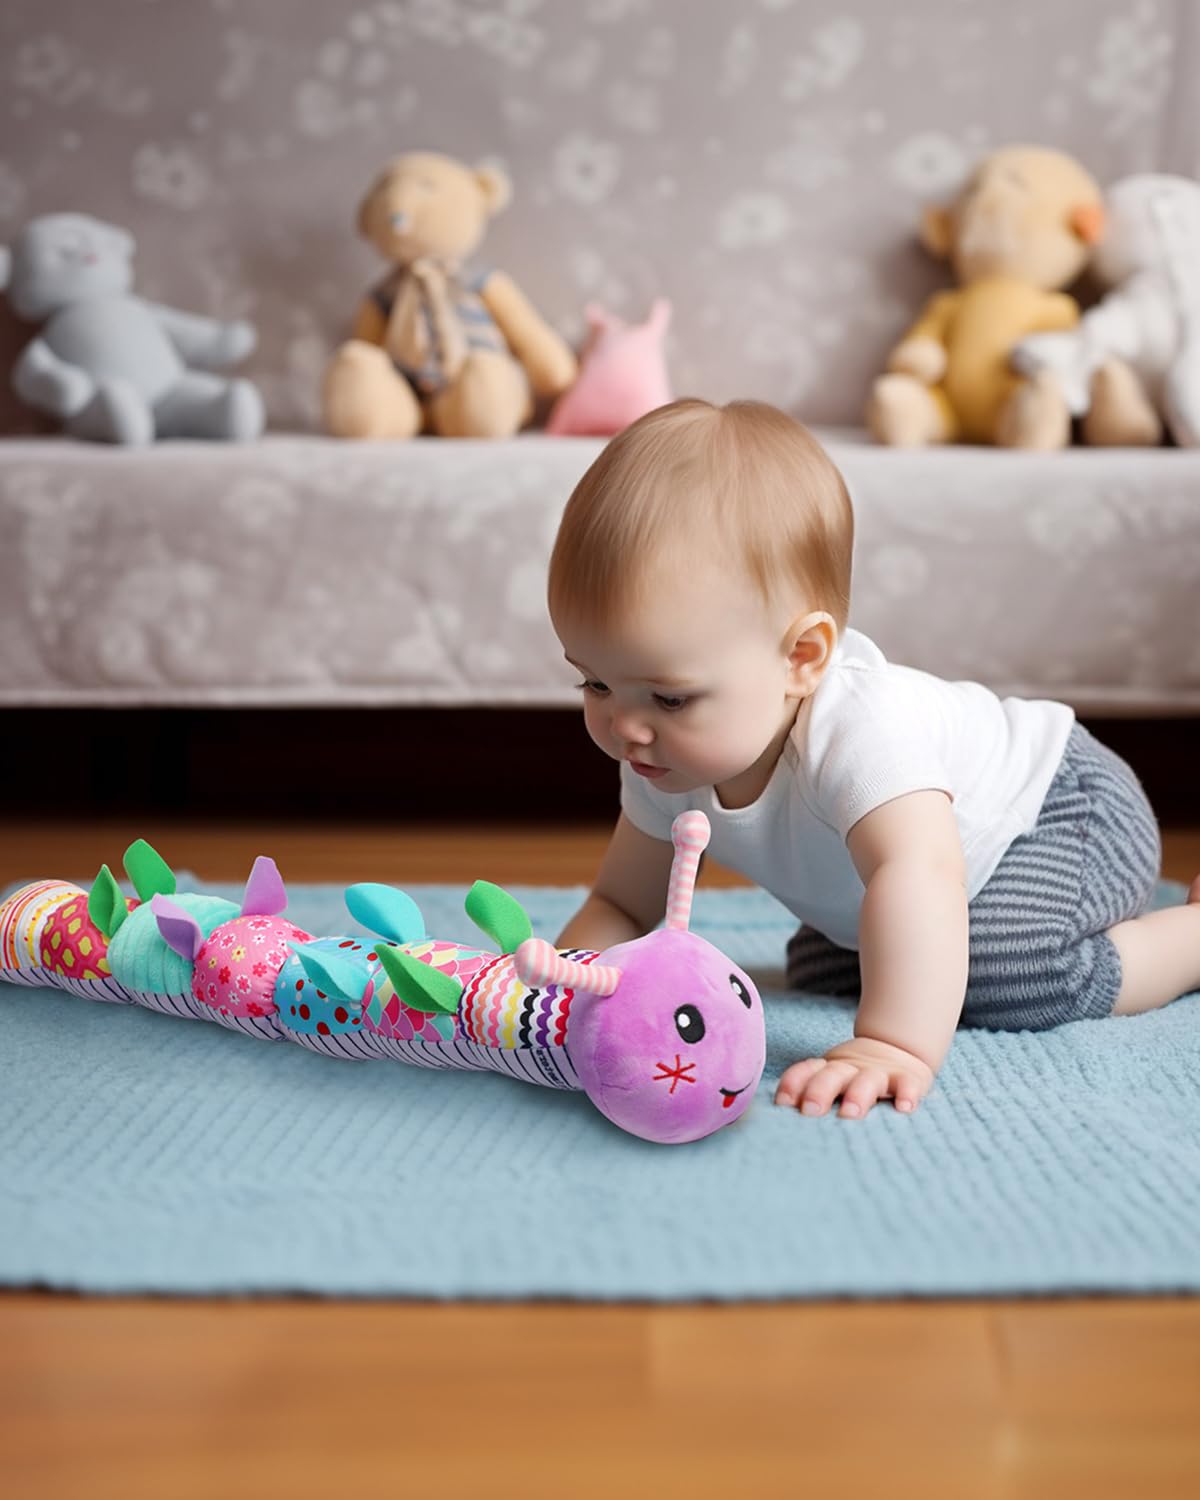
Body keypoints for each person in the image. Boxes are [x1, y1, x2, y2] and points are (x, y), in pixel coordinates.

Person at [549, 398, 1199, 1120]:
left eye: (669, 698)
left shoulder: (859, 728)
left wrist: (892, 1044)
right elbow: (622, 905)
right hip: (930, 874)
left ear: (802, 658)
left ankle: (1189, 939)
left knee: (1006, 976)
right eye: (596, 682)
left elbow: (917, 871)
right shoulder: (662, 755)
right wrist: (556, 999)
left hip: (1061, 814)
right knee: (826, 968)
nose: (623, 726)